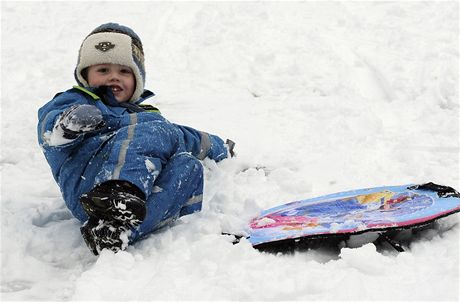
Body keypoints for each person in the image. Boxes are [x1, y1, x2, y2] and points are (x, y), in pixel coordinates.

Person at [37, 23, 235, 255]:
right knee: (157, 131)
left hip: (133, 203)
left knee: (187, 165)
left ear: (137, 79)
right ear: (85, 75)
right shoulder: (78, 102)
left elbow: (186, 136)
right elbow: (49, 126)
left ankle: (114, 231)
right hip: (92, 190)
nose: (113, 77)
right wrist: (68, 125)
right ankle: (118, 190)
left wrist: (219, 147)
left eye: (124, 71)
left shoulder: (147, 117)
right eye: (103, 70)